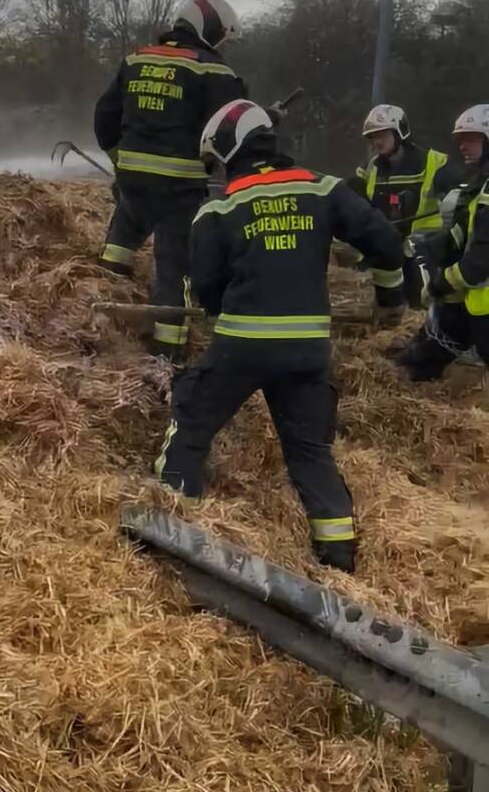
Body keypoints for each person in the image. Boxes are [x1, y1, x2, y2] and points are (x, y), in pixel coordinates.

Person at [155, 100, 405, 573]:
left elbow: (207, 289)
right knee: (310, 452)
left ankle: (172, 526)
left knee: (191, 423)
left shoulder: (220, 208)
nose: (218, 173)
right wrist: (390, 298)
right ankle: (338, 560)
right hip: (308, 353)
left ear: (230, 150)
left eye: (217, 163)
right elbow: (387, 245)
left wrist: (225, 302)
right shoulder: (323, 188)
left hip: (242, 348)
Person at [94, 0, 247, 361]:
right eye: (222, 37)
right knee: (174, 266)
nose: (222, 46)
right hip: (178, 187)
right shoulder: (213, 71)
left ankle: (101, 314)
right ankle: (168, 351)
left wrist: (121, 163)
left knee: (119, 244)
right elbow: (235, 124)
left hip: (132, 182)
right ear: (209, 28)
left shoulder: (136, 59)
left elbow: (104, 118)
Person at [396, 105, 489, 380]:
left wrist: (441, 283)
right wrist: (435, 246)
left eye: (471, 138)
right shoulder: (481, 186)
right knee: (431, 346)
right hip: (476, 305)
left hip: (480, 301)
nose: (462, 145)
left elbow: (480, 260)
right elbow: (467, 234)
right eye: (460, 139)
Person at [348, 105, 449, 308]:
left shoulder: (435, 162)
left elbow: (457, 203)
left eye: (382, 135)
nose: (376, 142)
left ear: (399, 132)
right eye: (372, 137)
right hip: (387, 249)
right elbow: (352, 200)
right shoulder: (370, 168)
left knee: (421, 299)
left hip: (424, 250)